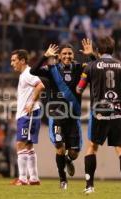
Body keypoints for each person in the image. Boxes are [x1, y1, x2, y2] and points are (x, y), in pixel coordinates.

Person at [30, 41, 94, 189]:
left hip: (73, 116)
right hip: (56, 115)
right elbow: (33, 71)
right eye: (64, 53)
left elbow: (96, 68)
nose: (67, 56)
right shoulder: (52, 69)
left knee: (74, 153)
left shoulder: (79, 68)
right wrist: (45, 56)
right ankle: (63, 180)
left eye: (69, 53)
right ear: (59, 56)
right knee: (59, 146)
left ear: (73, 55)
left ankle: (68, 160)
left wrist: (91, 54)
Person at [76, 37, 121, 195]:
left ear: (98, 51)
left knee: (92, 148)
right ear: (113, 49)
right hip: (118, 113)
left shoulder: (90, 67)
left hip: (99, 114)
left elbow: (79, 89)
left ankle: (89, 186)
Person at [10, 49, 44, 185]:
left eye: (14, 60)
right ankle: (34, 178)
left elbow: (40, 85)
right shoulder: (24, 74)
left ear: (22, 60)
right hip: (26, 114)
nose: (12, 63)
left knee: (20, 144)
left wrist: (31, 102)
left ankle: (23, 178)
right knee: (28, 146)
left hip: (28, 114)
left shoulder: (28, 73)